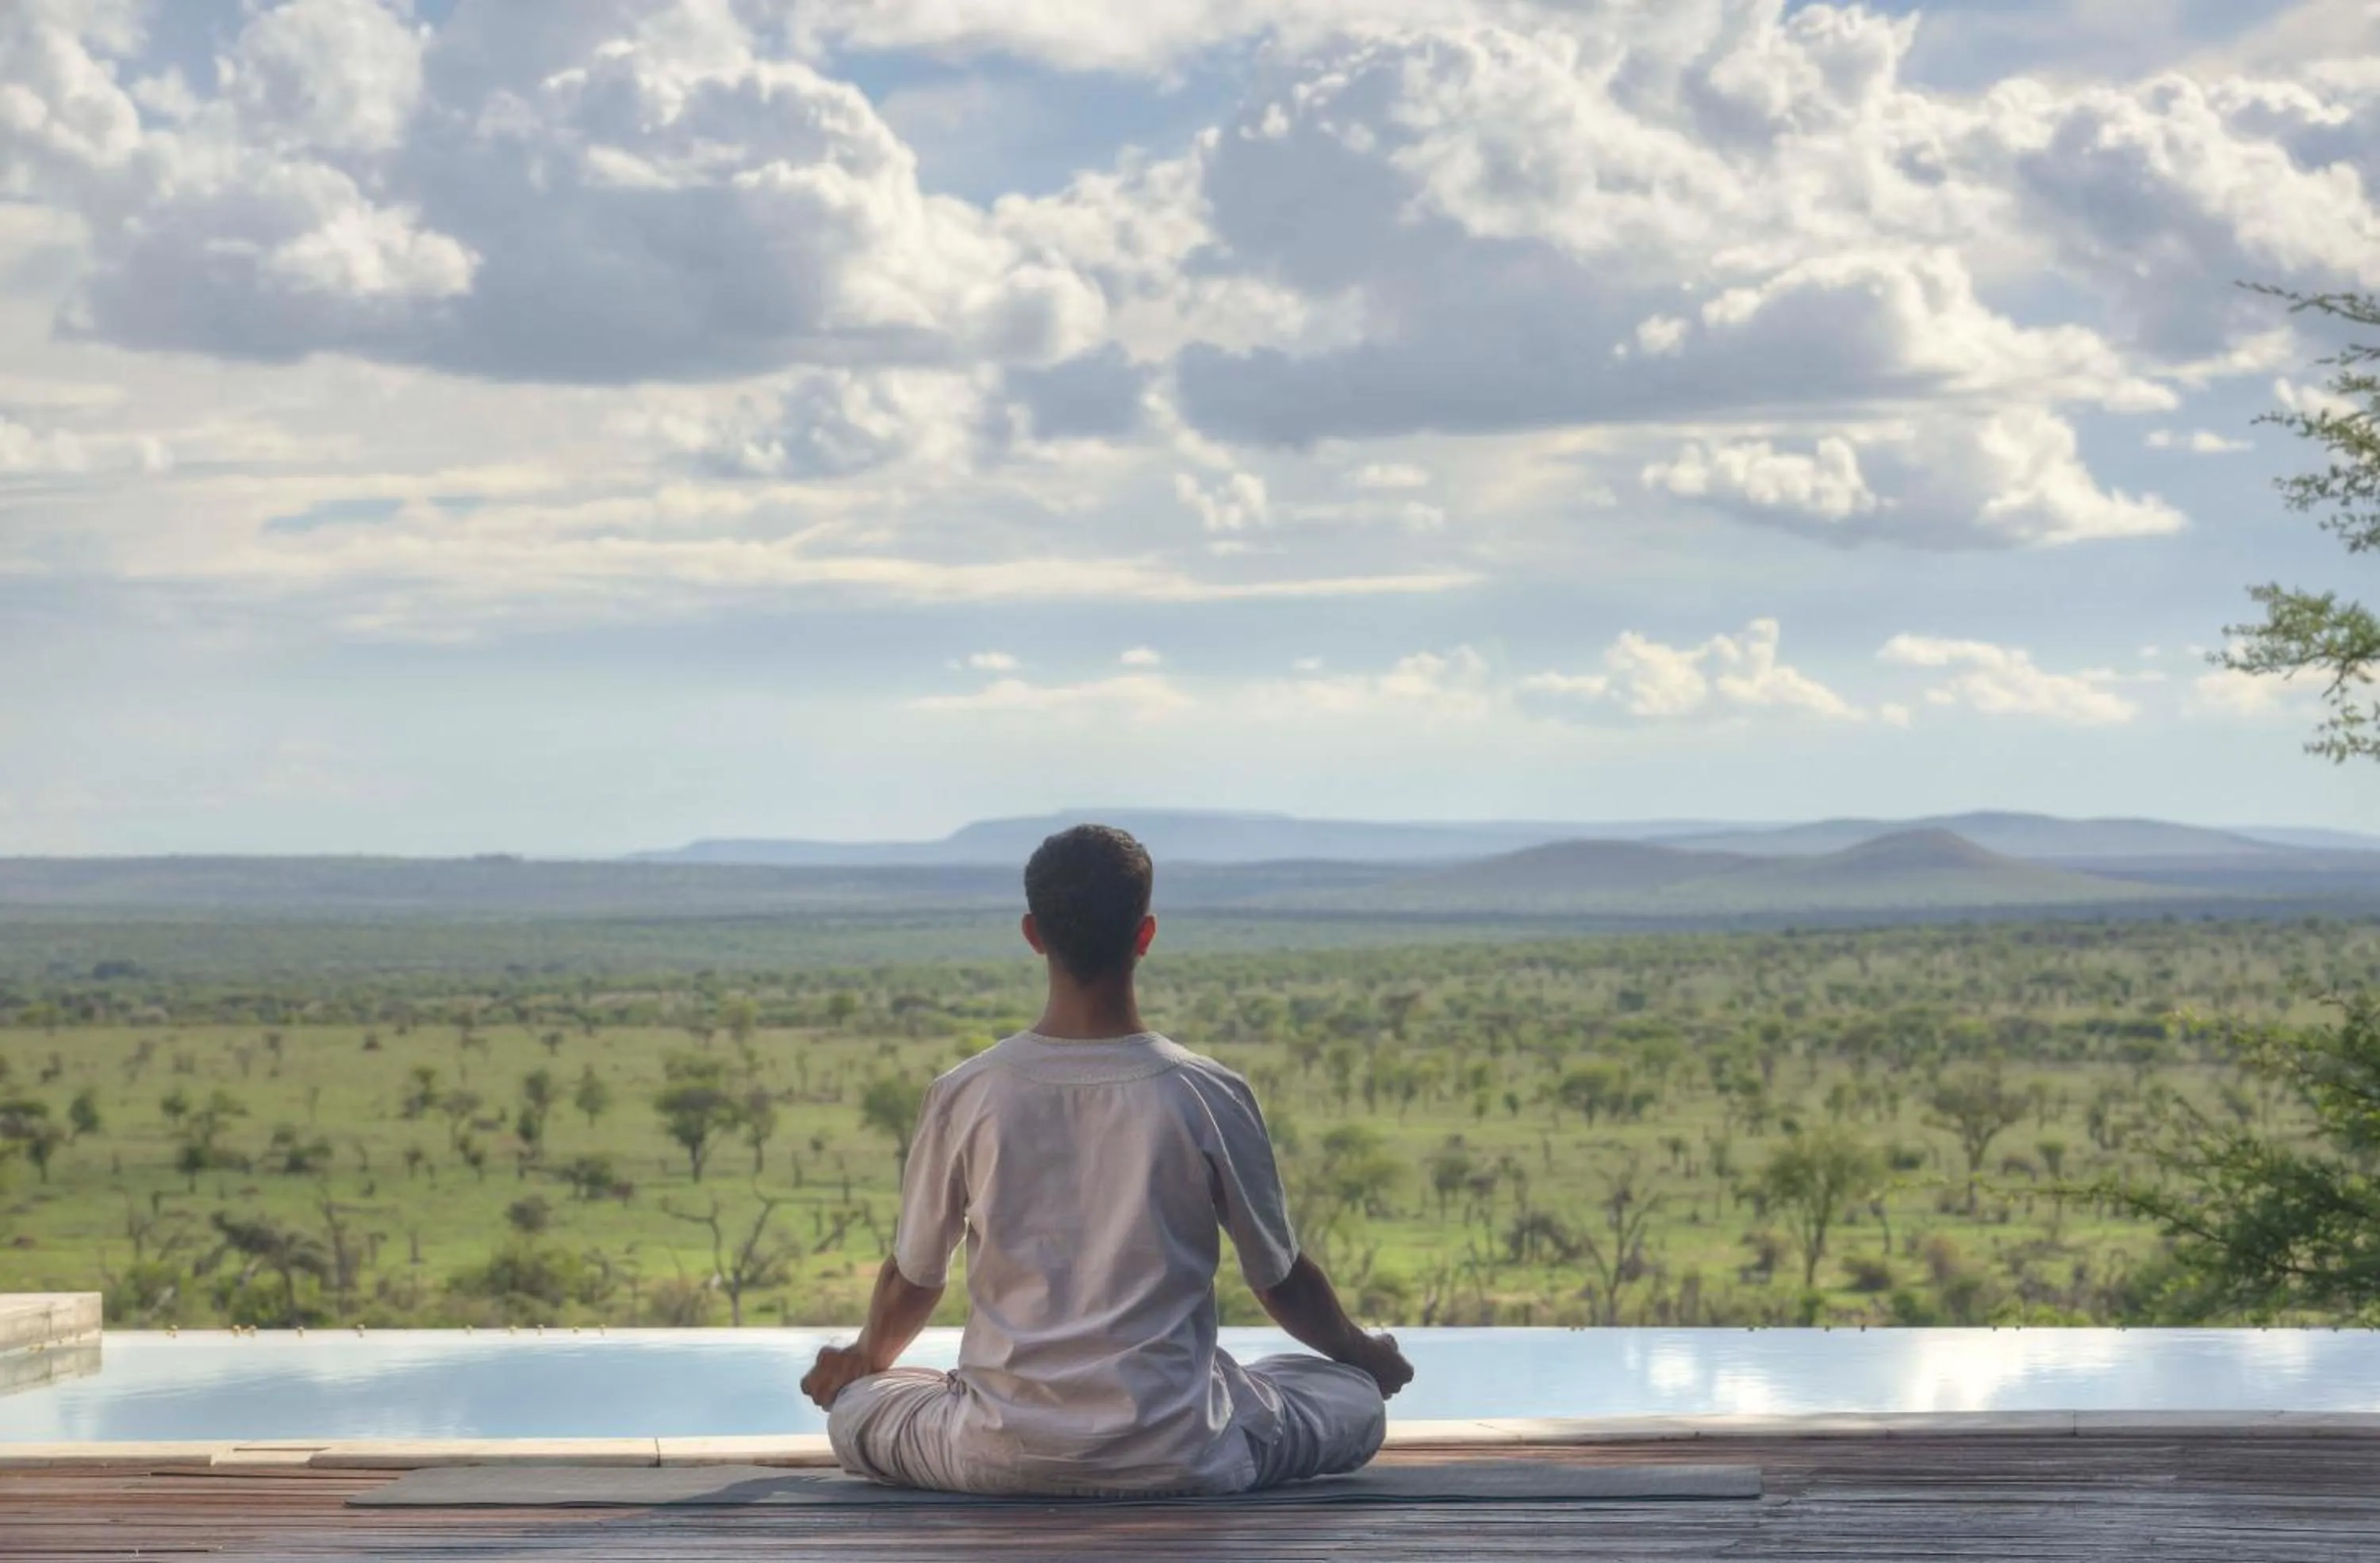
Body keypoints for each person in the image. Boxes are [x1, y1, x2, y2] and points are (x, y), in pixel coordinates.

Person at [802, 823, 1415, 1496]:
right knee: (1349, 1395)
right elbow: (1281, 1281)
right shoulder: (1207, 1091)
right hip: (1185, 1453)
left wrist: (864, 1359)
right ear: (1145, 935)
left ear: (1033, 934)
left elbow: (913, 1280)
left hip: (995, 1453)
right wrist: (1369, 1360)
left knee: (860, 1404)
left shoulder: (966, 1093)